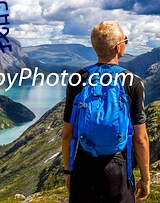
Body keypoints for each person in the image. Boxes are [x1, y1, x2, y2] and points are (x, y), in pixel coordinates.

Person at [62, 21, 150, 203]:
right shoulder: (132, 82)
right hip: (117, 168)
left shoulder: (78, 78)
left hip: (84, 165)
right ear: (118, 47)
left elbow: (67, 134)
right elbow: (140, 138)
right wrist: (145, 178)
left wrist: (68, 171)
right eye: (126, 40)